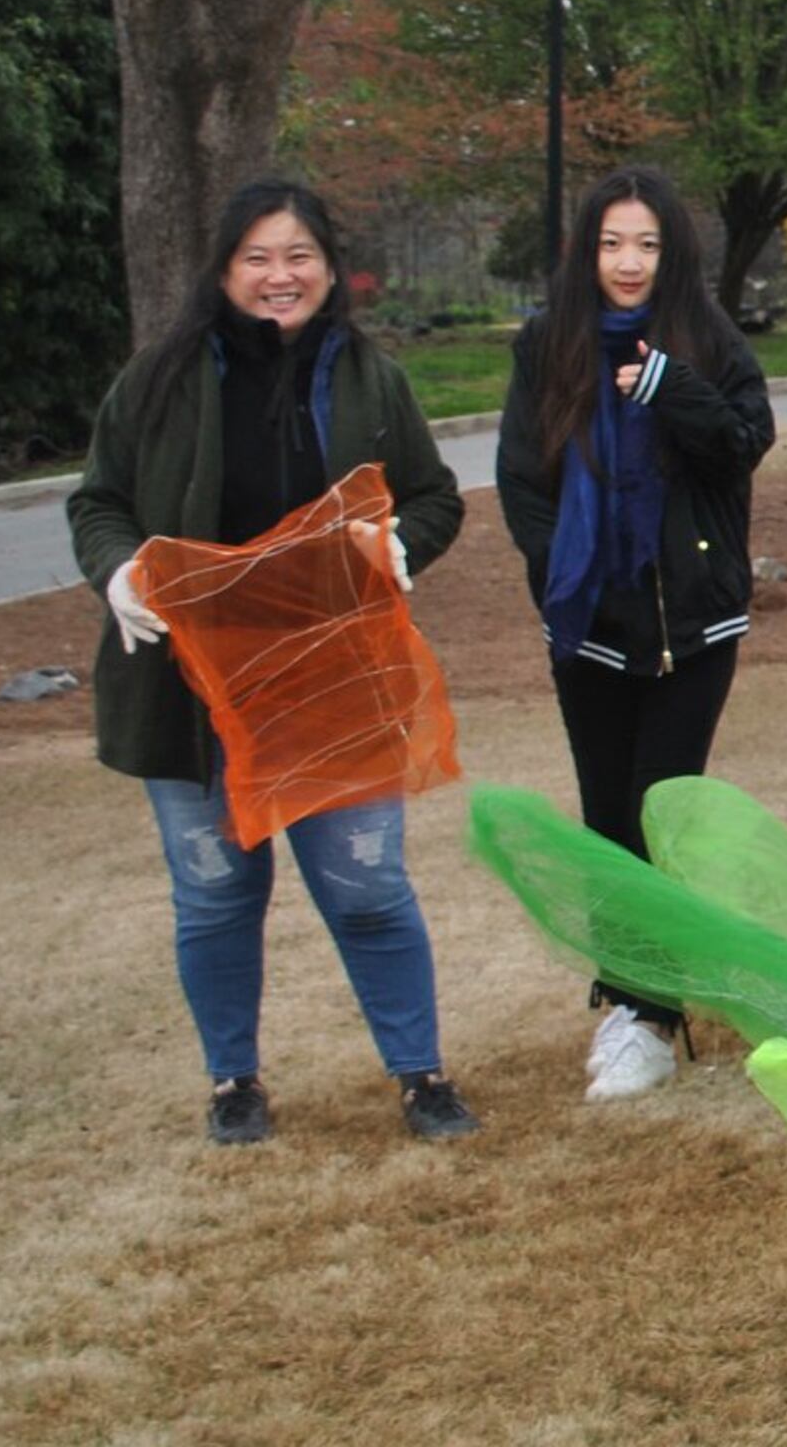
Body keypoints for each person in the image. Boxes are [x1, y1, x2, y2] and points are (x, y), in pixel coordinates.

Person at [67, 180, 478, 1147]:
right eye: (257, 258)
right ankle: (233, 1083)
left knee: (370, 890)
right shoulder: (157, 380)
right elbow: (98, 502)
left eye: (298, 256)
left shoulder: (371, 380)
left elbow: (434, 497)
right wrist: (118, 572)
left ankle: (421, 1075)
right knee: (214, 895)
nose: (278, 276)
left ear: (330, 270)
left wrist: (398, 547)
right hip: (192, 690)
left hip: (333, 686)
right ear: (223, 271)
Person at [493, 166, 775, 1100]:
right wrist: (556, 575)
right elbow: (523, 479)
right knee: (608, 817)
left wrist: (671, 387)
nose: (628, 262)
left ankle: (652, 1007)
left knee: (664, 809)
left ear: (673, 252)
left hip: (693, 621)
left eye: (647, 244)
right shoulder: (549, 343)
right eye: (612, 243)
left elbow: (743, 443)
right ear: (587, 250)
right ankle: (631, 1006)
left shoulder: (705, 335)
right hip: (589, 620)